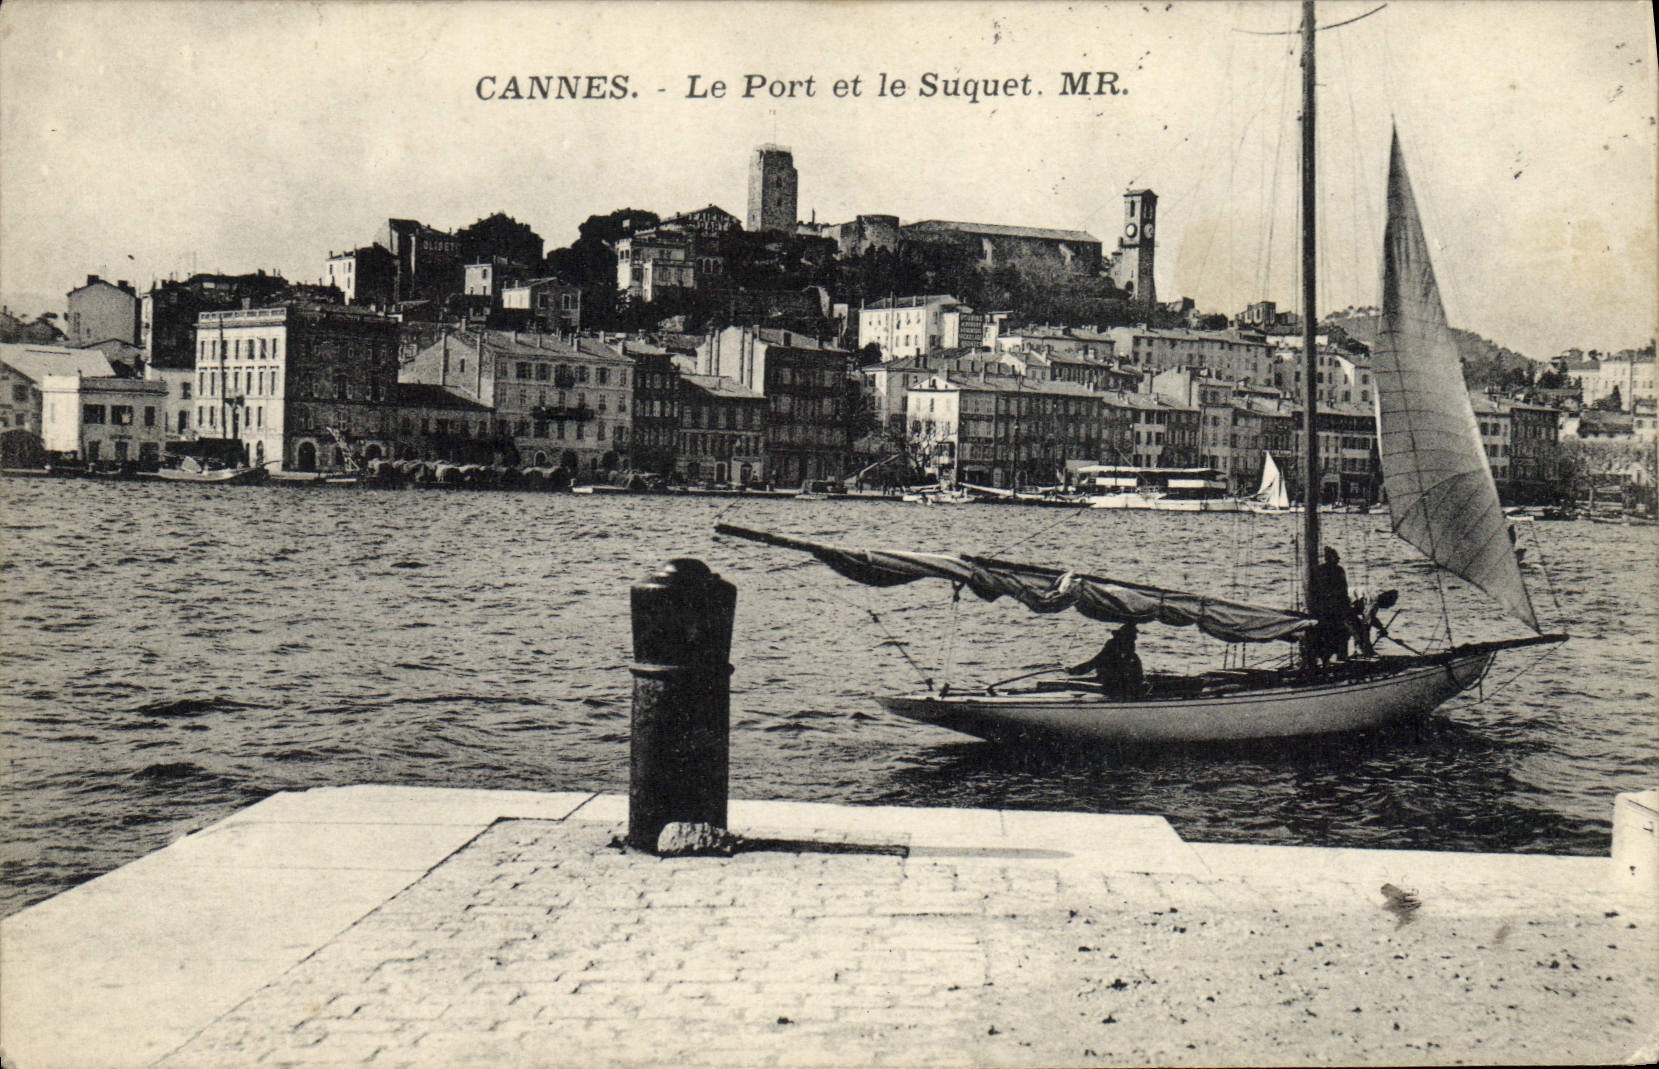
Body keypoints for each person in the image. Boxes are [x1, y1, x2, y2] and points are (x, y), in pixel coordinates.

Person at [1307, 548, 1374, 666]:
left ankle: (1346, 656)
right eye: (1335, 557)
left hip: (1339, 606)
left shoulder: (1338, 570)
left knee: (1348, 631)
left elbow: (1343, 589)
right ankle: (1326, 660)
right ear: (1328, 558)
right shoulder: (1321, 571)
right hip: (1328, 608)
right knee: (1333, 633)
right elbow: (1317, 590)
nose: (1337, 560)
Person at [1068, 622, 1145, 699]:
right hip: (1112, 687)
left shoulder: (1132, 656)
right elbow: (1092, 663)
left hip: (1126, 686)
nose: (1133, 641)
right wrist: (1073, 671)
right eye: (1131, 638)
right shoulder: (1110, 653)